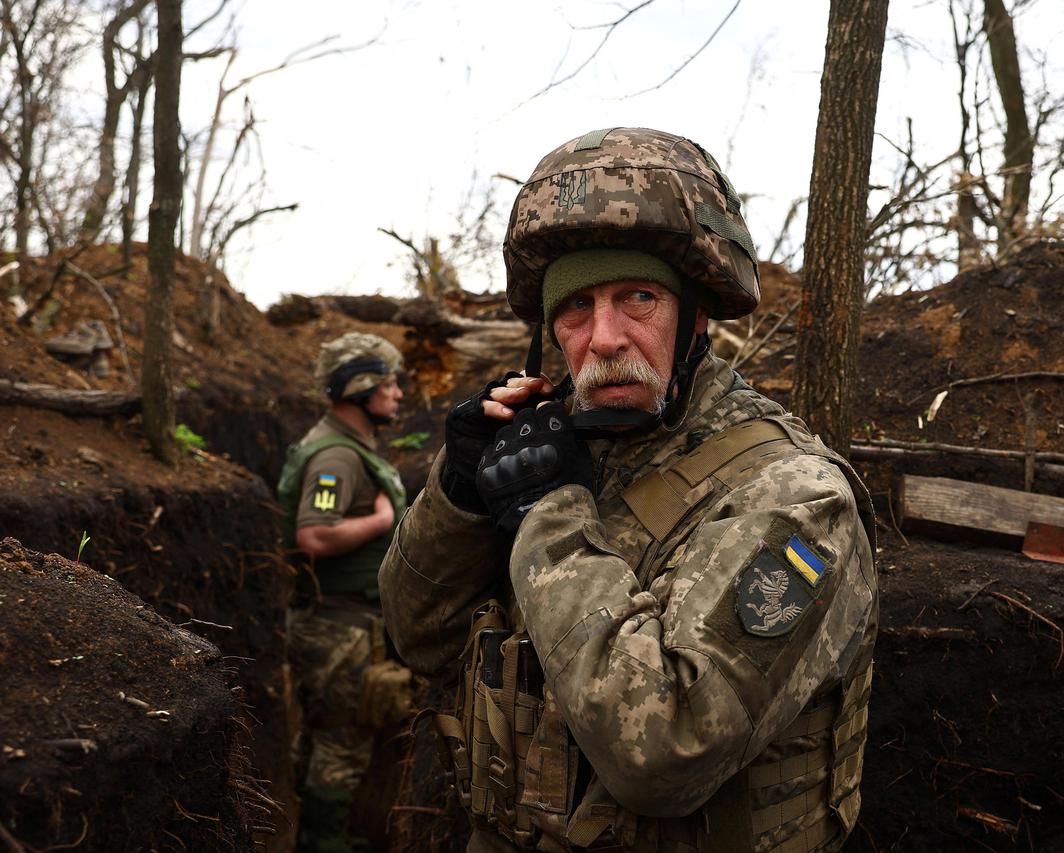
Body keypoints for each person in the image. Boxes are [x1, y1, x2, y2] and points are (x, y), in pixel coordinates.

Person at [380, 127, 878, 852]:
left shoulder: (794, 496)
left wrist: (548, 513)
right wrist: (455, 498)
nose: (604, 335)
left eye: (637, 297)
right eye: (576, 307)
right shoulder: (564, 445)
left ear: (695, 316)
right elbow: (415, 637)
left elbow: (667, 751)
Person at [277, 331, 410, 851]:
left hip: (335, 621)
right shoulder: (338, 458)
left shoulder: (344, 447)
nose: (398, 394)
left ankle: (314, 834)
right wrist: (380, 521)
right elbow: (313, 535)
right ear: (361, 388)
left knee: (321, 738)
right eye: (390, 383)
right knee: (341, 746)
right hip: (341, 628)